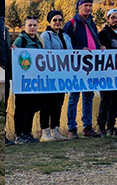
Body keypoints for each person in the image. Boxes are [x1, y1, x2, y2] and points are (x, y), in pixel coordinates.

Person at [63, 0, 105, 139]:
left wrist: (100, 47)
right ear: (79, 7)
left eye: (90, 5)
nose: (88, 8)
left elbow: (94, 40)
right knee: (74, 97)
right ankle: (72, 128)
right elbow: (65, 46)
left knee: (88, 96)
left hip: (90, 66)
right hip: (76, 66)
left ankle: (87, 127)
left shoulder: (91, 23)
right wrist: (80, 49)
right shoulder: (71, 24)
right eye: (85, 5)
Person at [39, 10, 71, 142]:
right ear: (50, 21)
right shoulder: (46, 35)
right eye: (55, 20)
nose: (58, 22)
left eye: (60, 20)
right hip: (50, 74)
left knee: (58, 104)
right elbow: (47, 53)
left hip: (63, 74)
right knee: (47, 103)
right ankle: (45, 132)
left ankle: (55, 129)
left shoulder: (66, 36)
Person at [96, 8, 117, 136]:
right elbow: (99, 50)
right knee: (105, 101)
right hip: (106, 74)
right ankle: (101, 126)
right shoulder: (103, 34)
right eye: (113, 17)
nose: (115, 20)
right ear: (108, 19)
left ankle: (111, 126)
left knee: (115, 102)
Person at [11, 16, 43, 144]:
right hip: (23, 81)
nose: (32, 28)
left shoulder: (39, 41)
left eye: (34, 25)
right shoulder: (21, 40)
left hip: (35, 81)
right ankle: (19, 134)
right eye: (30, 25)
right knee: (21, 107)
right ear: (24, 27)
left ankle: (27, 132)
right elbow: (14, 51)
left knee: (31, 107)